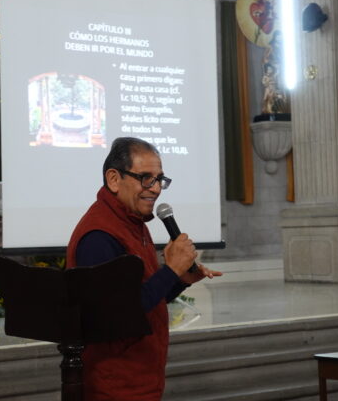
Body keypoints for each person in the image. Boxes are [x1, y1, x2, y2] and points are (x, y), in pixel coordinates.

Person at [66, 137, 222, 400]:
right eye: (146, 178)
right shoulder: (99, 236)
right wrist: (170, 270)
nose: (156, 189)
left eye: (160, 179)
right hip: (115, 385)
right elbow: (115, 316)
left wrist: (180, 279)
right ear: (114, 179)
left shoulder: (133, 221)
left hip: (142, 378)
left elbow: (146, 300)